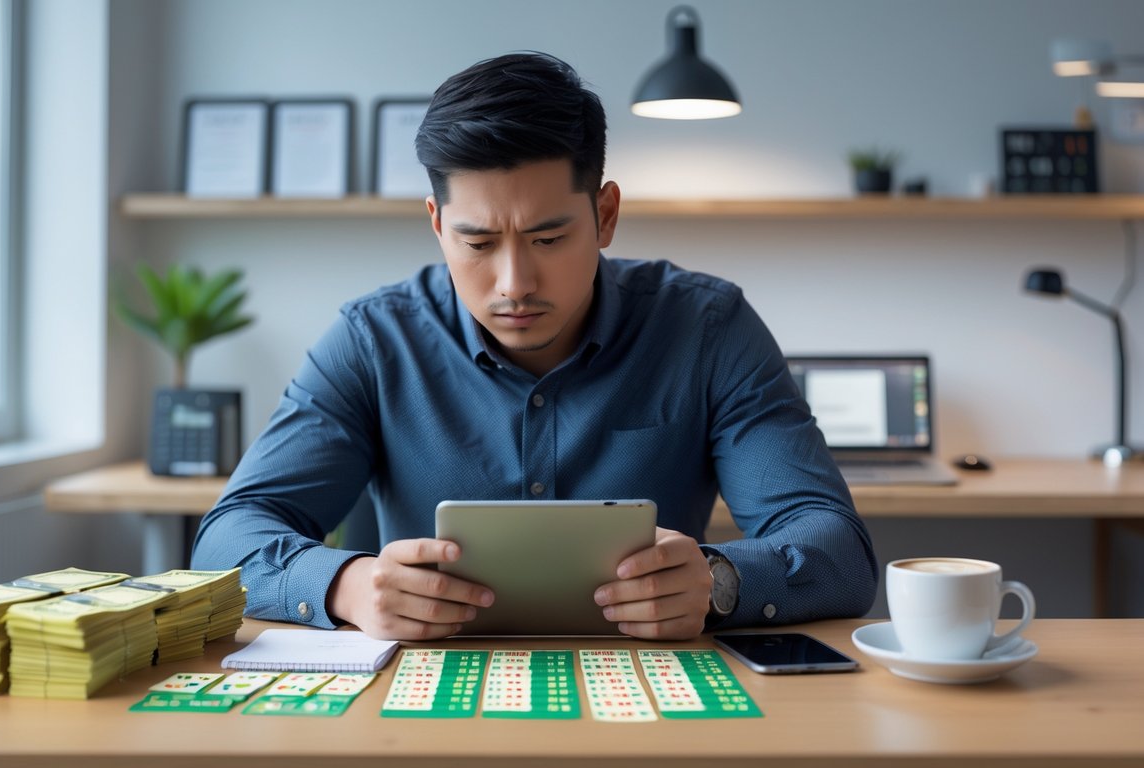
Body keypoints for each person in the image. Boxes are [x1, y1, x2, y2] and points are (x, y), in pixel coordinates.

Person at [192, 52, 878, 641]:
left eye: (548, 239)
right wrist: (346, 585)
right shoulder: (374, 340)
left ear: (604, 215)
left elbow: (837, 548)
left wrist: (721, 580)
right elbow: (226, 538)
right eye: (477, 242)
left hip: (651, 700)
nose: (514, 283)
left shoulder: (707, 328)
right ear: (436, 225)